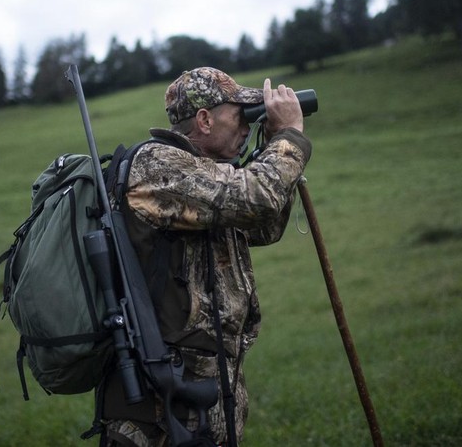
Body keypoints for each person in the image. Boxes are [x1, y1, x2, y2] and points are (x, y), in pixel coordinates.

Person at [102, 67, 313, 447]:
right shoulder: (158, 165)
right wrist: (289, 138)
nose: (247, 127)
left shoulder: (208, 178)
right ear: (203, 119)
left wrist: (273, 147)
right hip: (162, 401)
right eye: (240, 117)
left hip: (205, 388)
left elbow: (263, 225)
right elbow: (257, 197)